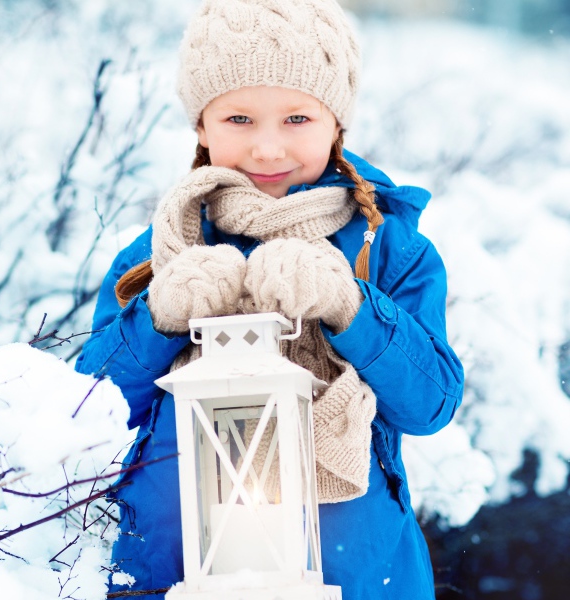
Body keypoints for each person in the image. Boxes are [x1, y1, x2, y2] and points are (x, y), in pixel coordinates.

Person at [74, 0, 465, 598]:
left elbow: (430, 404)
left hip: (355, 575)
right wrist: (158, 318)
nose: (267, 148)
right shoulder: (159, 250)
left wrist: (349, 307)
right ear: (201, 127)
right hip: (170, 575)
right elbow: (83, 412)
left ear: (337, 123)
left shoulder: (390, 247)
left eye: (296, 119)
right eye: (238, 119)